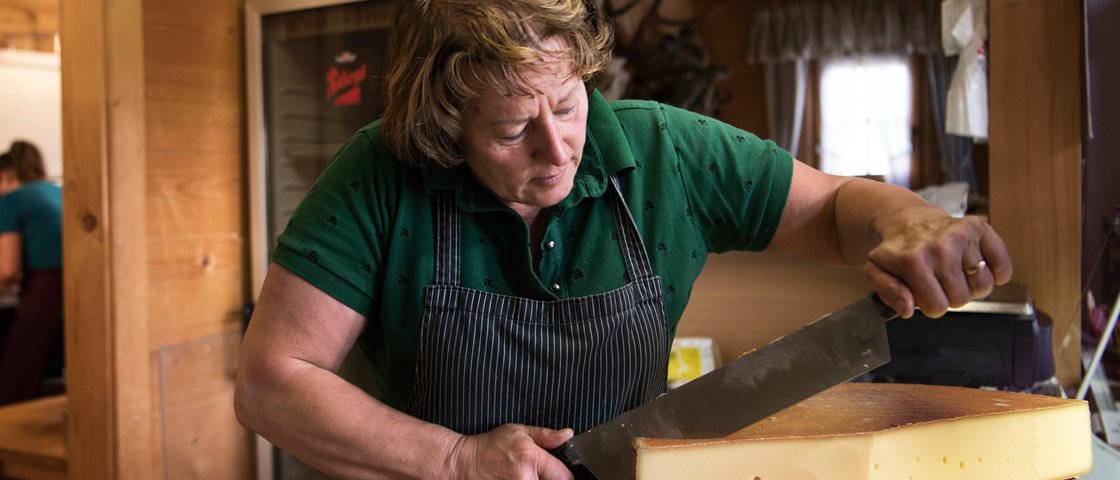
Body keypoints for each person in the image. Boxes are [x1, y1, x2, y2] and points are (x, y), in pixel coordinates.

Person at [234, 1, 1012, 478]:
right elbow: (272, 381)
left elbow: (839, 205)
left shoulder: (669, 151)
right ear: (445, 129)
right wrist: (453, 462)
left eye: (567, 105)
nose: (558, 147)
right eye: (511, 128)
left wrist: (909, 222)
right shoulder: (380, 172)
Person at [0, 140, 64, 405]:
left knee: (14, 388)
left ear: (5, 176)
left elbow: (8, 271)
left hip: (46, 296)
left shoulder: (11, 201)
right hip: (80, 297)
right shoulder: (59, 193)